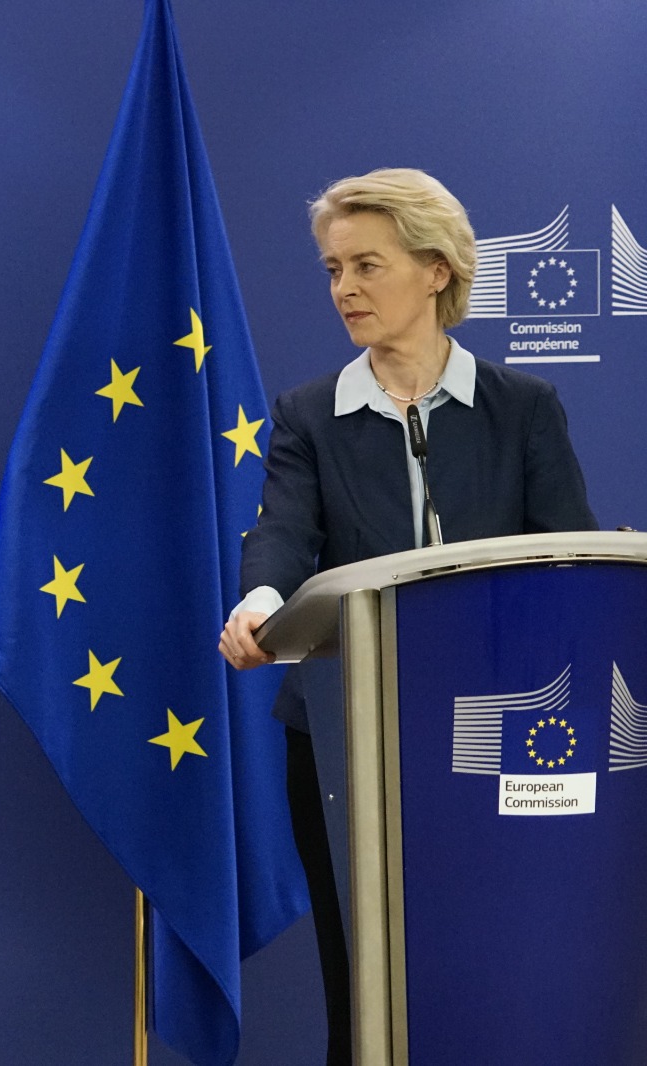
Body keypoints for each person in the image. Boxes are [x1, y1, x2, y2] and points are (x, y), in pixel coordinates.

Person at [216, 168, 595, 1065]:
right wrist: (262, 604)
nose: (344, 288)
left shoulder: (523, 409)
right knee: (362, 975)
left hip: (495, 728)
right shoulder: (309, 415)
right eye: (332, 269)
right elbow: (283, 535)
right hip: (347, 732)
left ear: (435, 269)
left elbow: (567, 565)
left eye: (366, 265)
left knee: (495, 965)